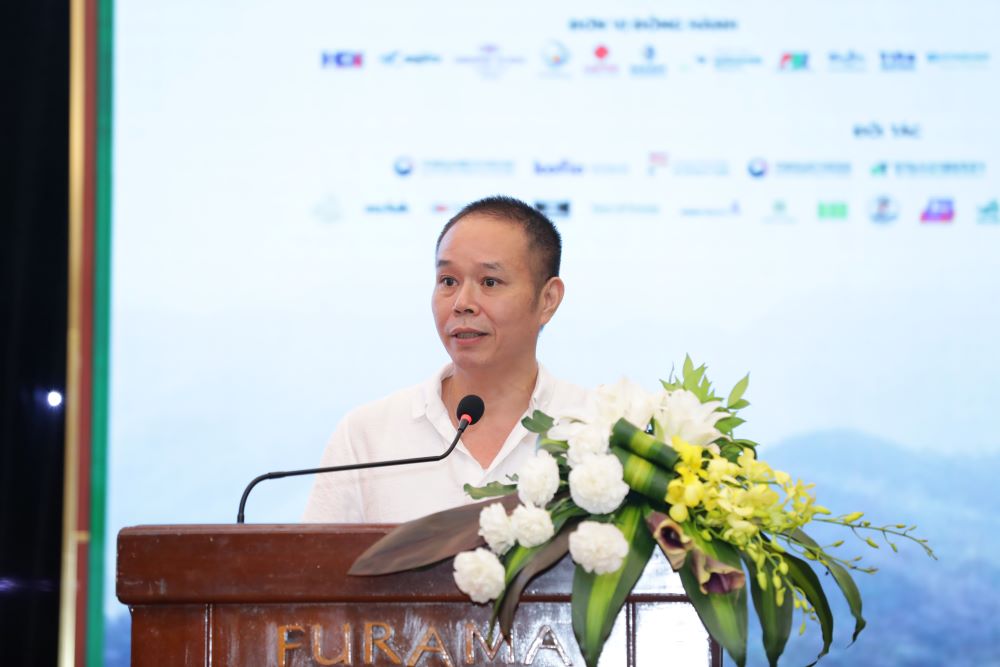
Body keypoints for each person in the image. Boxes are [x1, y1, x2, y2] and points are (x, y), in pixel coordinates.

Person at [303, 195, 591, 523]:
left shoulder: (596, 428)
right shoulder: (367, 435)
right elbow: (313, 556)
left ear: (548, 299)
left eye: (490, 282)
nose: (461, 303)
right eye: (448, 281)